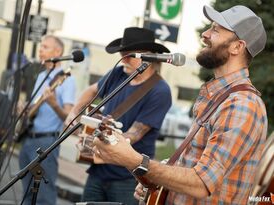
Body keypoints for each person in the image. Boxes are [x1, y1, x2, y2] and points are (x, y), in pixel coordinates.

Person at [92, 5, 268, 205]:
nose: (205, 34)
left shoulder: (241, 105)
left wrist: (134, 160)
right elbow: (191, 162)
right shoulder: (219, 97)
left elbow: (201, 183)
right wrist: (157, 180)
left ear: (237, 47)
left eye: (216, 30)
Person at [65, 27, 172, 204]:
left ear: (147, 55)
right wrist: (73, 112)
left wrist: (94, 141)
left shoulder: (160, 90)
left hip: (128, 177)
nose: (123, 60)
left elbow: (133, 136)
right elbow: (92, 90)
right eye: (122, 55)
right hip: (98, 171)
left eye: (129, 55)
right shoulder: (118, 73)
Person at [18, 35, 76, 205]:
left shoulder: (67, 79)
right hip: (28, 138)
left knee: (44, 196)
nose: (40, 50)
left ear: (57, 52)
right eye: (40, 46)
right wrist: (24, 109)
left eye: (45, 47)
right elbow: (35, 108)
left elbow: (69, 117)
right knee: (27, 194)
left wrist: (53, 103)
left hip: (46, 143)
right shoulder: (42, 75)